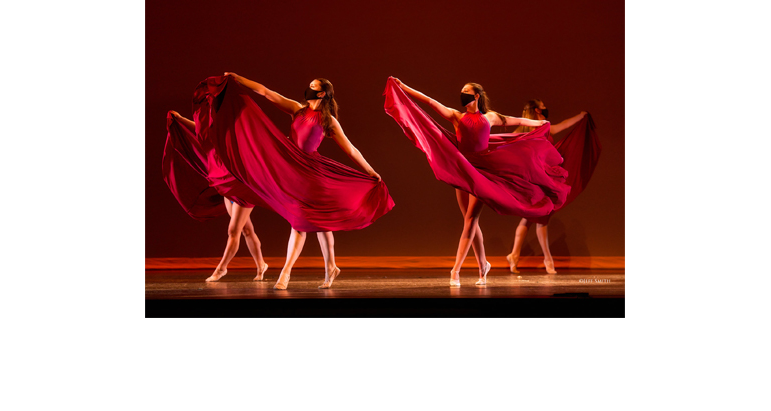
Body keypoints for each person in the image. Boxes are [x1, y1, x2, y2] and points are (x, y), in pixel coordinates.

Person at [211, 73, 392, 289]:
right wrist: (238, 79)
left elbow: (351, 150)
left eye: (312, 86)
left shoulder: (329, 122)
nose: (308, 88)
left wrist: (371, 171)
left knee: (300, 222)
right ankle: (331, 267)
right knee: (319, 222)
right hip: (292, 171)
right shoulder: (297, 109)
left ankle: (285, 273)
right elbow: (267, 93)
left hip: (312, 175)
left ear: (322, 93)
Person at [384, 78, 567, 286]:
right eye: (462, 91)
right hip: (463, 170)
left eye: (466, 91)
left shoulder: (490, 118)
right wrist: (403, 87)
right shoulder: (457, 116)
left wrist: (539, 123)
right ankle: (483, 266)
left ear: (477, 96)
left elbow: (517, 120)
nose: (462, 94)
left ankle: (456, 270)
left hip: (482, 172)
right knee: (469, 221)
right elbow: (430, 102)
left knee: (471, 219)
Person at [162, 102, 268, 282]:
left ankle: (221, 268)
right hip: (226, 187)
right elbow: (199, 129)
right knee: (246, 231)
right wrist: (179, 119)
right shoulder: (213, 131)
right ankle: (261, 265)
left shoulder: (237, 133)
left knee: (233, 231)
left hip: (243, 188)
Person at [503, 99, 599, 273]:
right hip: (535, 179)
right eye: (543, 105)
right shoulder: (526, 131)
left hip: (546, 178)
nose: (546, 107)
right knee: (541, 217)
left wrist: (579, 116)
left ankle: (515, 255)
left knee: (530, 218)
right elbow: (507, 144)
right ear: (537, 110)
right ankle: (548, 260)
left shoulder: (544, 127)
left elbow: (562, 125)